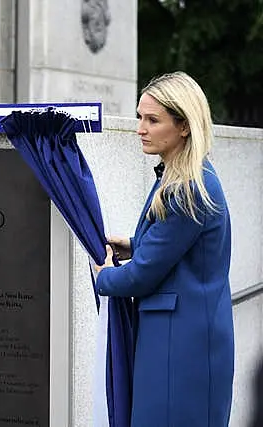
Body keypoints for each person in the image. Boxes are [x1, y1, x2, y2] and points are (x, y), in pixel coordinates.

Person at [94, 71, 234, 426]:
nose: (140, 128)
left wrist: (103, 276)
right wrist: (133, 244)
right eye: (140, 117)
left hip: (179, 346)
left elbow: (142, 276)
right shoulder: (191, 177)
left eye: (152, 120)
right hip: (183, 337)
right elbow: (178, 249)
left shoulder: (187, 188)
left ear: (184, 126)